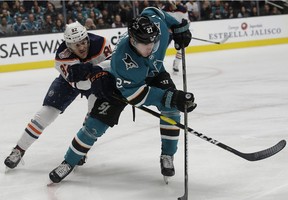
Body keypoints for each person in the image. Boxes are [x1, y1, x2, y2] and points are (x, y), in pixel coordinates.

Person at [49, 6, 196, 184]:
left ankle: (167, 155)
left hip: (155, 72)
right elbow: (137, 97)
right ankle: (69, 161)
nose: (151, 47)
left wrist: (179, 26)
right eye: (145, 44)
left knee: (171, 108)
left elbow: (153, 11)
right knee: (95, 124)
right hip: (119, 83)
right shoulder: (122, 61)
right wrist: (172, 97)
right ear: (133, 41)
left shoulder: (158, 29)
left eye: (153, 42)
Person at [4, 21, 112, 170]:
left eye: (83, 42)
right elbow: (79, 84)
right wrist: (96, 70)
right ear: (68, 46)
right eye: (76, 45)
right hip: (71, 82)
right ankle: (19, 149)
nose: (81, 47)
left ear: (87, 38)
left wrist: (98, 72)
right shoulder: (62, 55)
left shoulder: (101, 43)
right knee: (45, 113)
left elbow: (112, 66)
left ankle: (80, 149)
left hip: (95, 81)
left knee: (93, 116)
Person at [162, 0, 189, 74]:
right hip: (168, 33)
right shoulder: (164, 10)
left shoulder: (183, 9)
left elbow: (186, 22)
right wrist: (168, 29)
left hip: (179, 32)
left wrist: (182, 30)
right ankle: (158, 65)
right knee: (162, 49)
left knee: (181, 49)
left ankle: (176, 65)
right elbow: (162, 22)